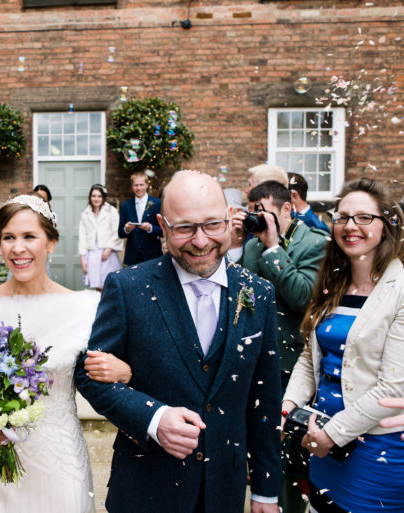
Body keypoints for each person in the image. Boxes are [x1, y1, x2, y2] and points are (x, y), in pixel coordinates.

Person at [76, 170, 282, 513]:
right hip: (146, 489)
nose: (200, 242)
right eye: (184, 228)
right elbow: (89, 376)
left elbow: (266, 398)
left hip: (224, 491)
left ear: (230, 217)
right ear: (162, 224)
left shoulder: (259, 293)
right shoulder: (127, 287)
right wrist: (154, 419)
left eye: (212, 225)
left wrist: (265, 491)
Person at [0, 194, 132, 513]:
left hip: (59, 457)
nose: (18, 248)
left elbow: (98, 379)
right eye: (8, 237)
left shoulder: (83, 308)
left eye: (29, 236)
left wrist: (126, 371)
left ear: (51, 243)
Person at [282, 177, 404, 513]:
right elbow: (310, 358)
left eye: (364, 217)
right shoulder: (333, 283)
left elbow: (395, 386)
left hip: (377, 450)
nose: (350, 226)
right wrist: (288, 405)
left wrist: (333, 434)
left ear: (386, 226)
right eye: (342, 217)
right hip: (322, 441)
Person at [234, 180, 328, 512]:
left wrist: (273, 248)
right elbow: (242, 301)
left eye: (262, 211)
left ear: (287, 208)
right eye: (252, 211)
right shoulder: (250, 246)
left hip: (293, 367)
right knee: (258, 449)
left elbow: (302, 296)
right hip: (254, 363)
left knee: (291, 459)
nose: (256, 218)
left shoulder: (315, 243)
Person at [78, 184, 122, 290]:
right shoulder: (85, 213)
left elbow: (117, 231)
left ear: (103, 197)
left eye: (99, 196)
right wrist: (83, 259)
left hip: (107, 252)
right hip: (92, 253)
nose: (96, 199)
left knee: (109, 284)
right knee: (97, 285)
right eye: (93, 196)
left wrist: (109, 249)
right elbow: (82, 236)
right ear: (90, 197)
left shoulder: (111, 211)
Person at [118, 170, 163, 266]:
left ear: (147, 185)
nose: (139, 188)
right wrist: (127, 229)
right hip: (132, 255)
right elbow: (120, 233)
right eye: (136, 185)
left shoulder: (157, 203)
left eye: (141, 185)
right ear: (132, 186)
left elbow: (163, 231)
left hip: (152, 254)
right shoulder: (125, 206)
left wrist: (150, 228)